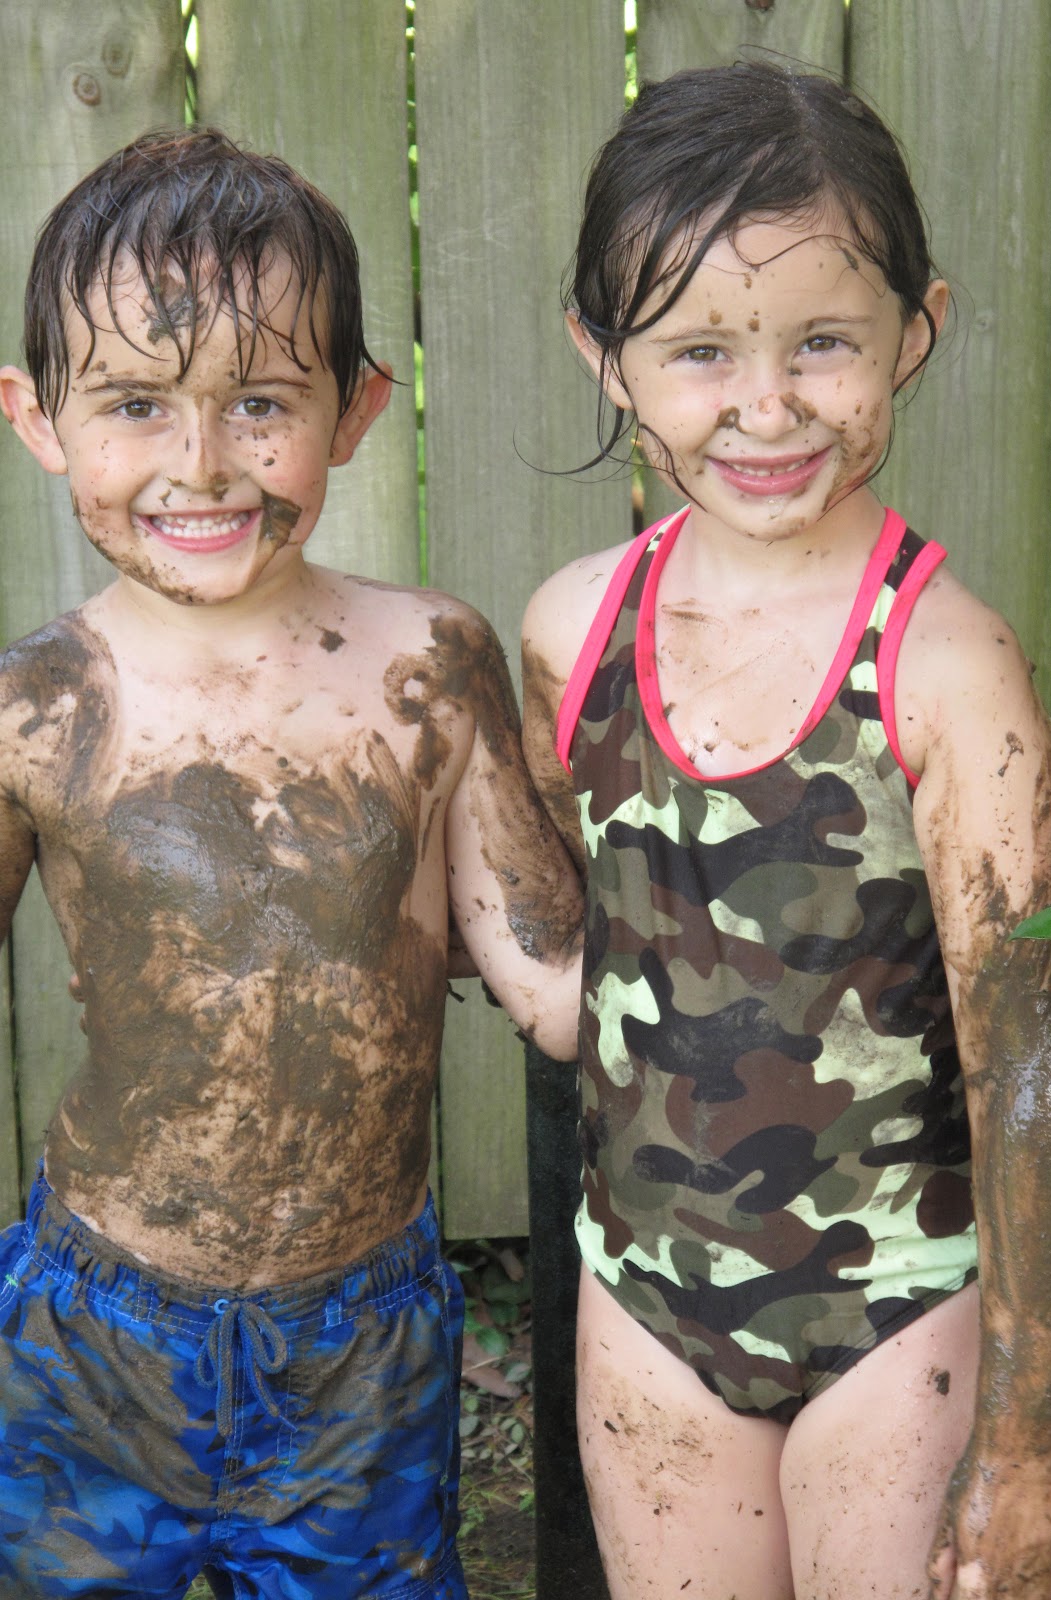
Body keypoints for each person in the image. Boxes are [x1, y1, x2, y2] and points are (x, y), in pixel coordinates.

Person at [521, 63, 1051, 1600]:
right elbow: (597, 927)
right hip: (647, 1310)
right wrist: (538, 977)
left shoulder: (948, 670)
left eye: (823, 342)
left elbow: (1025, 1068)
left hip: (898, 1316)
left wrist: (1030, 1443)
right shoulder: (575, 635)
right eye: (700, 351)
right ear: (607, 358)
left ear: (919, 329)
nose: (765, 407)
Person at [0, 128, 582, 1600]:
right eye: (134, 404)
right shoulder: (35, 707)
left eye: (259, 403)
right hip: (99, 1329)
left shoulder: (428, 663)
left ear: (359, 407)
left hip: (361, 1338)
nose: (201, 464)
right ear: (39, 417)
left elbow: (555, 974)